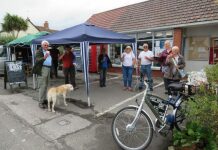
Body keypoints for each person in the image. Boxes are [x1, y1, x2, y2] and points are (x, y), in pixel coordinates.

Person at [33, 40, 52, 109]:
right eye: (45, 45)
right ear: (41, 45)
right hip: (42, 69)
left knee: (47, 86)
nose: (46, 46)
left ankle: (44, 100)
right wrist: (45, 57)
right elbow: (38, 60)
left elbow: (49, 61)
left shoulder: (48, 51)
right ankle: (40, 102)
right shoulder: (39, 52)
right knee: (42, 86)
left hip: (48, 69)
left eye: (47, 45)